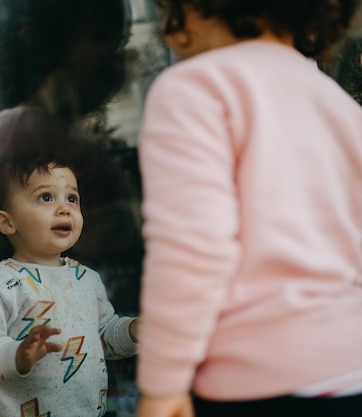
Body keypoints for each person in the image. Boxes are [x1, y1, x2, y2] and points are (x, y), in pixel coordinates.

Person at [135, 1, 362, 416]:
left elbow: (193, 249)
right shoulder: (340, 104)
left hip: (255, 382)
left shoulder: (192, 88)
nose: (167, 28)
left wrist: (163, 385)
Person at [0, 0, 143, 316]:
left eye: (119, 42)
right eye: (100, 36)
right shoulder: (18, 129)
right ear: (47, 42)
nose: (116, 54)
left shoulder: (61, 136)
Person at [0, 154, 139, 416]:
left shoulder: (87, 279)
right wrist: (16, 355)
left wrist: (133, 331)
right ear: (7, 222)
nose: (64, 209)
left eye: (72, 198)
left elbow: (103, 338)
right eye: (46, 197)